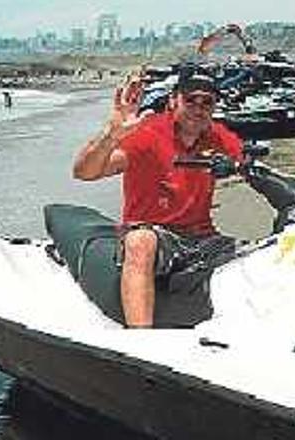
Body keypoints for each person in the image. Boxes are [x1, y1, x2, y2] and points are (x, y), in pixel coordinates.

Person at [71, 69, 242, 328]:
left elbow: (246, 160)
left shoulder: (216, 135)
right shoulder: (149, 134)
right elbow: (84, 172)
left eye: (207, 102)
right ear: (174, 100)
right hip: (154, 232)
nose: (198, 108)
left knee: (259, 253)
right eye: (191, 100)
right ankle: (141, 337)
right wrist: (112, 134)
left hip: (202, 236)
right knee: (141, 241)